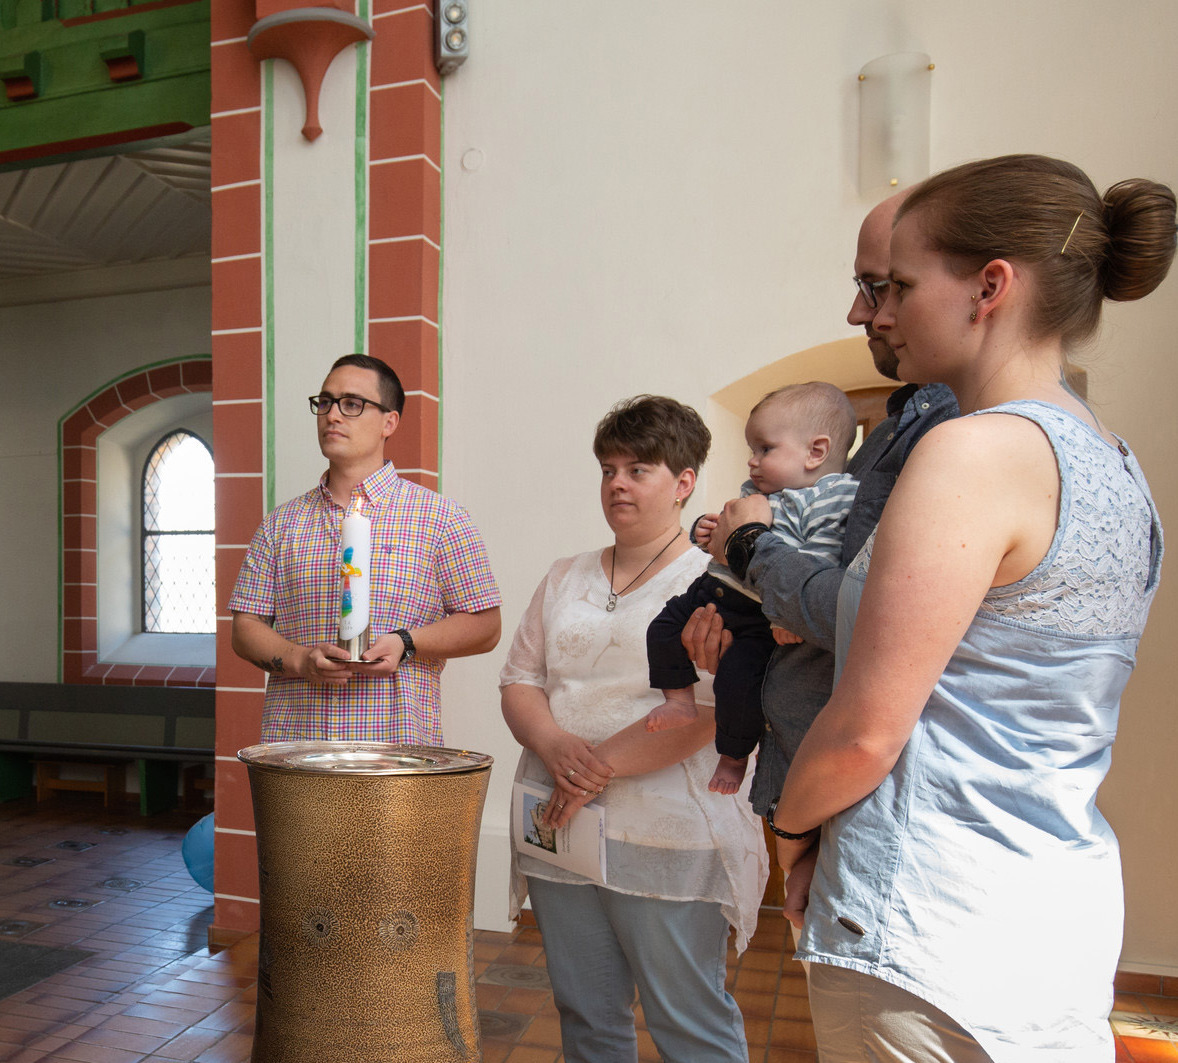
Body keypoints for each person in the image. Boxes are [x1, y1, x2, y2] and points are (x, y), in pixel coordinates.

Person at [766, 155, 1174, 1060]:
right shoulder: (1118, 462)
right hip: (1050, 917)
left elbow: (867, 730)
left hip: (929, 918)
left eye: (899, 285)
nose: (878, 312)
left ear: (991, 286)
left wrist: (792, 830)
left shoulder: (971, 452)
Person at [500, 395, 767, 1063]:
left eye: (639, 468)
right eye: (608, 468)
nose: (617, 482)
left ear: (684, 482)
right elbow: (520, 678)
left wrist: (595, 769)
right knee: (587, 1017)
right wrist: (556, 746)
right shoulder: (566, 575)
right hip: (559, 821)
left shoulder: (718, 580)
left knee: (689, 1022)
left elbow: (711, 708)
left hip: (666, 832)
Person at [687, 190, 959, 816]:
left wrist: (751, 547)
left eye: (882, 286)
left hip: (893, 807)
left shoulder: (964, 438)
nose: (858, 312)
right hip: (830, 789)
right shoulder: (891, 433)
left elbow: (867, 625)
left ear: (983, 287)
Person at [229, 353, 501, 744]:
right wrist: (301, 660)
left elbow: (486, 626)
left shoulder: (440, 518)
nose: (332, 416)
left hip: (395, 749)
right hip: (298, 748)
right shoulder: (280, 524)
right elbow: (245, 628)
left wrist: (406, 643)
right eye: (324, 402)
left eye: (352, 404)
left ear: (389, 422)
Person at [644, 382, 858, 796]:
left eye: (765, 449)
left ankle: (735, 755)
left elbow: (819, 560)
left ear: (815, 452)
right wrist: (705, 531)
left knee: (738, 680)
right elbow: (722, 537)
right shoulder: (756, 492)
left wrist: (785, 614)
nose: (752, 461)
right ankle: (678, 700)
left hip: (759, 612)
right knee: (662, 627)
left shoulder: (832, 498)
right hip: (714, 587)